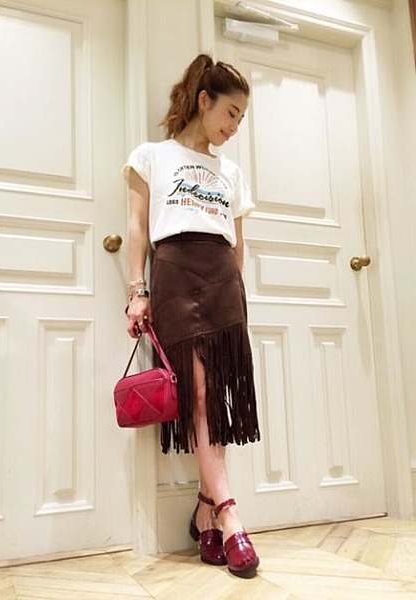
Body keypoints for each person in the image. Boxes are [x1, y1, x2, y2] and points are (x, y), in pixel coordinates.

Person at [123, 53, 261, 579]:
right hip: (176, 272)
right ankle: (228, 514)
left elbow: (238, 243)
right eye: (230, 113)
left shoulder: (232, 173)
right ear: (204, 101)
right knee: (198, 394)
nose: (234, 127)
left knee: (217, 400)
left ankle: (206, 510)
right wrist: (138, 290)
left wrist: (235, 290)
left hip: (223, 278)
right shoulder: (152, 156)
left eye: (241, 118)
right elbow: (137, 228)